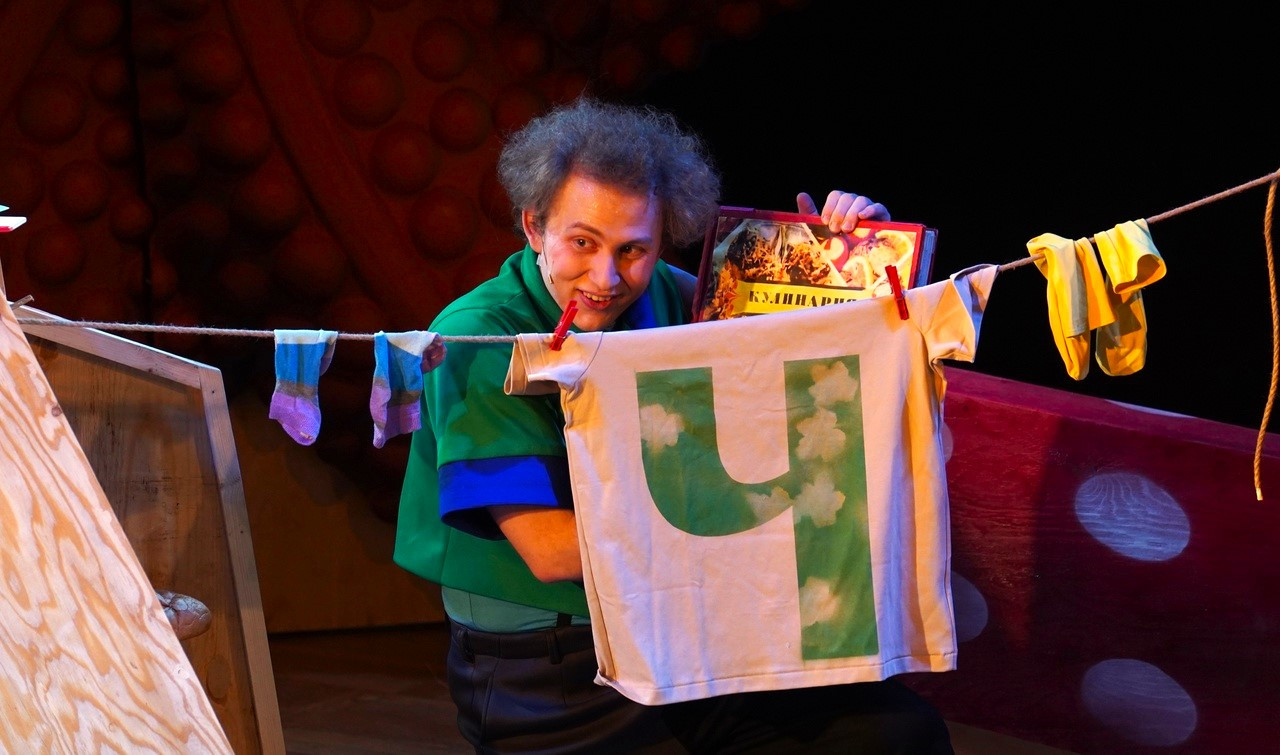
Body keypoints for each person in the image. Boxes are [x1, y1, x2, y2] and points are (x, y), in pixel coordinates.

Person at [394, 97, 953, 753]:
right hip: (550, 671)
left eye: (634, 248)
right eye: (582, 242)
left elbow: (796, 348)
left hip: (680, 626)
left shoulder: (663, 291)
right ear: (533, 226)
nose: (605, 277)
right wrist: (776, 531)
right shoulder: (476, 338)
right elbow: (551, 551)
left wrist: (852, 265)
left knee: (897, 735)